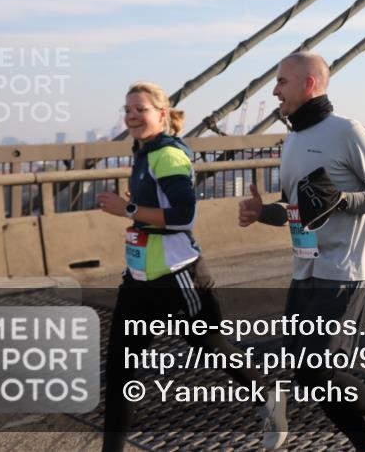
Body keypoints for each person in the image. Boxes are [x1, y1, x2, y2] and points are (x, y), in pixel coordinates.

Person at [238, 52, 365, 452]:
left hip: (345, 269)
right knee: (307, 373)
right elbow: (294, 207)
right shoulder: (293, 140)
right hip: (304, 270)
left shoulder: (348, 131)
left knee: (323, 371)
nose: (275, 89)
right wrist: (261, 211)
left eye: (282, 81)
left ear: (309, 85)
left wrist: (342, 201)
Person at [97, 81, 285, 452]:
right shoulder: (143, 151)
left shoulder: (167, 154)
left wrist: (129, 210)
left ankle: (266, 394)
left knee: (208, 343)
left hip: (177, 274)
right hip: (138, 279)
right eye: (128, 109)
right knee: (119, 372)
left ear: (162, 115)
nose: (133, 115)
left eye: (142, 109)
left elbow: (184, 215)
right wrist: (138, 205)